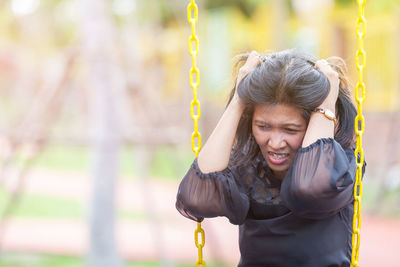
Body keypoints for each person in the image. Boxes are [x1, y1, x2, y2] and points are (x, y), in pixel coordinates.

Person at [176, 49, 365, 266]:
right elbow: (195, 199)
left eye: (291, 129)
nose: (275, 143)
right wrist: (239, 99)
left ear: (314, 123)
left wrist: (325, 106)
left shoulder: (341, 166)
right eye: (263, 126)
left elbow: (308, 188)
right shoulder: (250, 166)